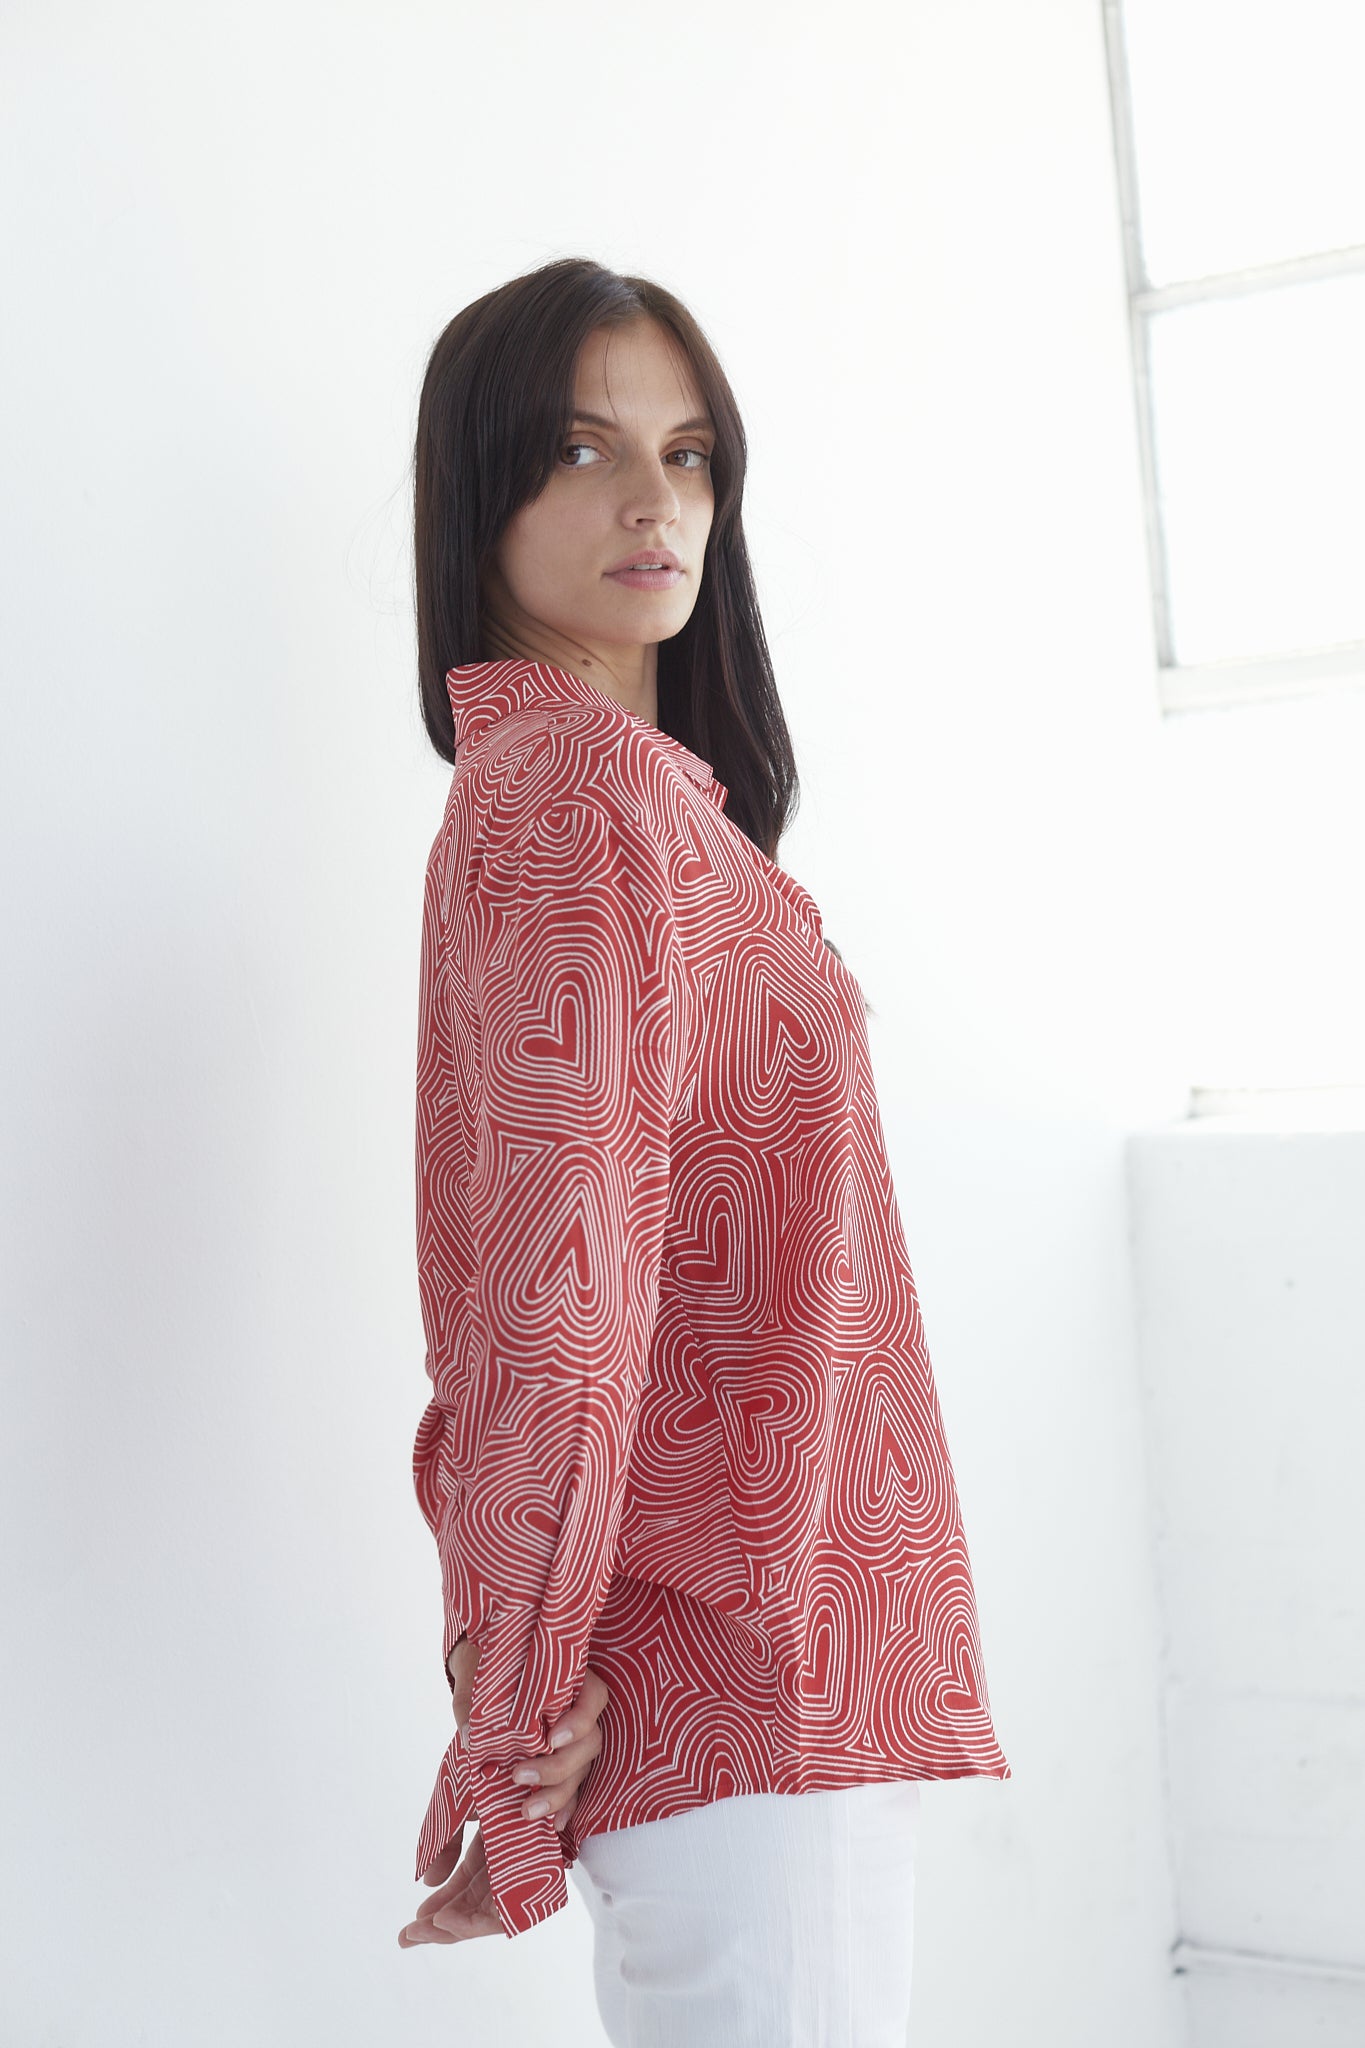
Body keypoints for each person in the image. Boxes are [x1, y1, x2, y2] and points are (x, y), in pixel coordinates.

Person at [395, 256, 1010, 2044]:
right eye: (582, 450)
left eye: (687, 453)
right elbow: (552, 1286)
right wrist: (507, 1702)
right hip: (742, 1662)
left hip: (765, 1669)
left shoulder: (621, 802)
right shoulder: (579, 801)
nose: (652, 499)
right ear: (480, 488)